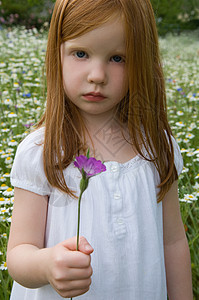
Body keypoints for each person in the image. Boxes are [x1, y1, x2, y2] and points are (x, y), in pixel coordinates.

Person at [6, 0, 193, 299]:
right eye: (81, 53)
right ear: (58, 54)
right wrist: (46, 264)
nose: (97, 75)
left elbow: (172, 243)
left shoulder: (157, 147)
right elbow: (17, 254)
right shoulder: (42, 151)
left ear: (142, 62)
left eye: (118, 58)